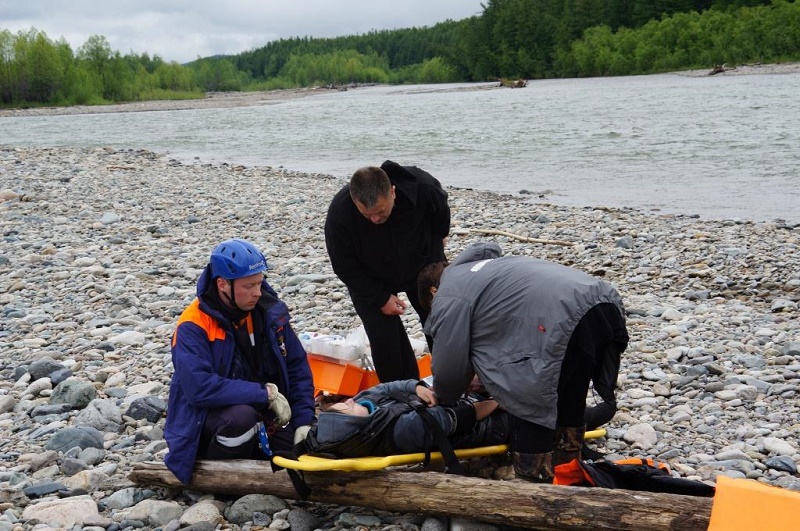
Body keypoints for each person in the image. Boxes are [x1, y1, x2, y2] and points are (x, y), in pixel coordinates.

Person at [419, 242, 629, 483]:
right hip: (602, 302)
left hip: (561, 315)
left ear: (433, 292)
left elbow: (449, 370)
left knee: (528, 398)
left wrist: (443, 395)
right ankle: (570, 475)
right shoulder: (485, 270)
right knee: (570, 394)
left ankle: (534, 488)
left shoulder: (449, 292)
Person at [164, 238, 316, 485]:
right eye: (249, 286)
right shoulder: (193, 325)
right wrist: (264, 394)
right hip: (208, 423)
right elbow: (200, 389)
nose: (258, 292)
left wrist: (304, 420)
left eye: (260, 282)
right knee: (242, 419)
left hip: (266, 415)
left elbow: (297, 367)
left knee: (309, 445)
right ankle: (225, 479)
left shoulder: (270, 312)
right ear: (222, 284)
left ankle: (264, 453)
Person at [324, 161, 450, 382]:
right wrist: (380, 298)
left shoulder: (422, 186)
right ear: (354, 201)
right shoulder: (339, 213)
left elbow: (441, 210)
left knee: (441, 320)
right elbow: (343, 266)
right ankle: (403, 391)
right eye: (367, 214)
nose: (375, 219)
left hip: (421, 261)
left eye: (381, 211)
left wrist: (441, 234)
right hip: (371, 274)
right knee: (384, 339)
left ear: (393, 192)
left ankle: (453, 380)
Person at [305, 379, 510, 458]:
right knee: (520, 415)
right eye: (349, 407)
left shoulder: (364, 404)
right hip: (481, 426)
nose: (350, 400)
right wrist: (497, 402)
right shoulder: (398, 431)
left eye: (345, 402)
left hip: (460, 404)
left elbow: (387, 387)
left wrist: (416, 388)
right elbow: (459, 418)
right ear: (357, 427)